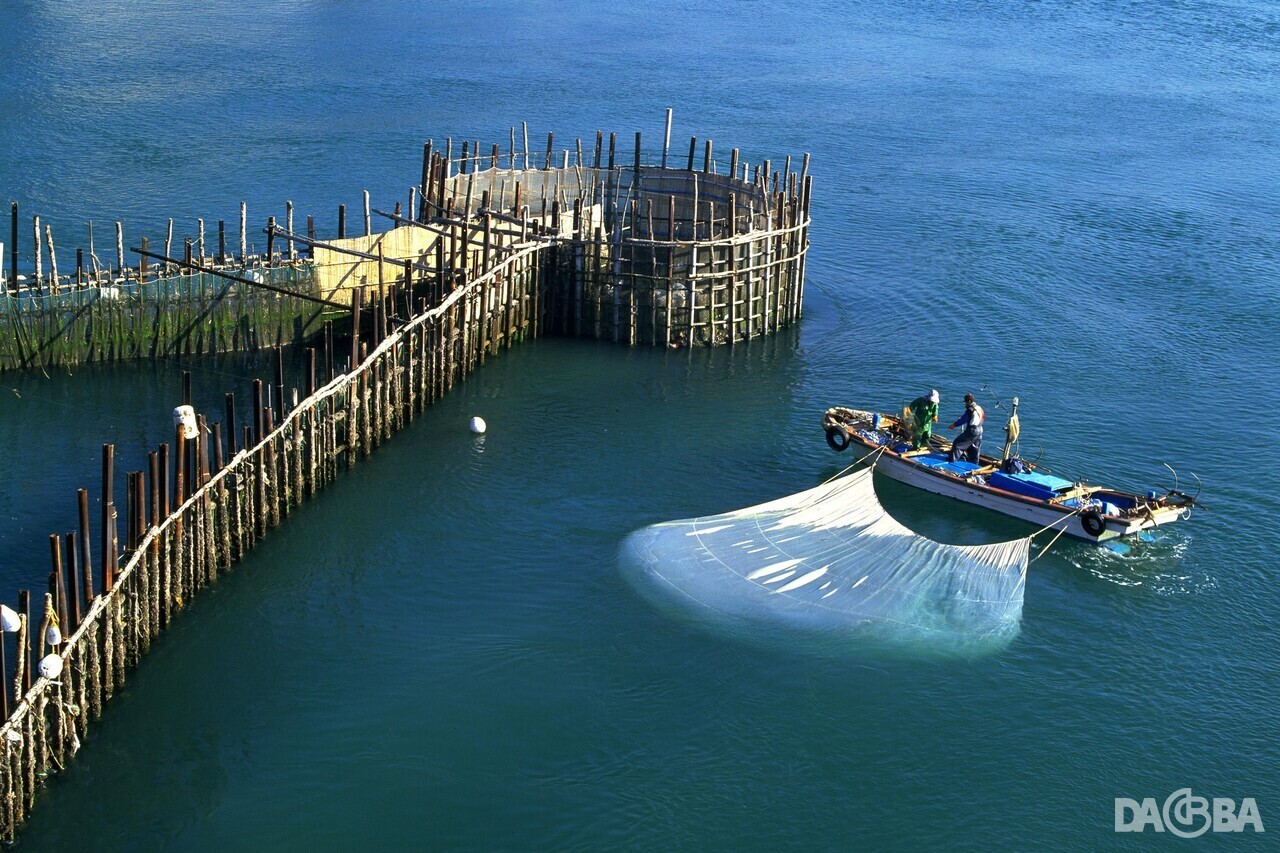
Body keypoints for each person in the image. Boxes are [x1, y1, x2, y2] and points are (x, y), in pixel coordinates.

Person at [947, 393, 985, 463]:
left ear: (969, 401)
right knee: (974, 448)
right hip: (980, 429)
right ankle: (974, 463)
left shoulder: (970, 410)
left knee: (958, 443)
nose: (965, 404)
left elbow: (963, 420)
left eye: (966, 402)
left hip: (973, 430)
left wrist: (953, 425)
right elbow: (982, 418)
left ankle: (952, 460)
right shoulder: (979, 408)